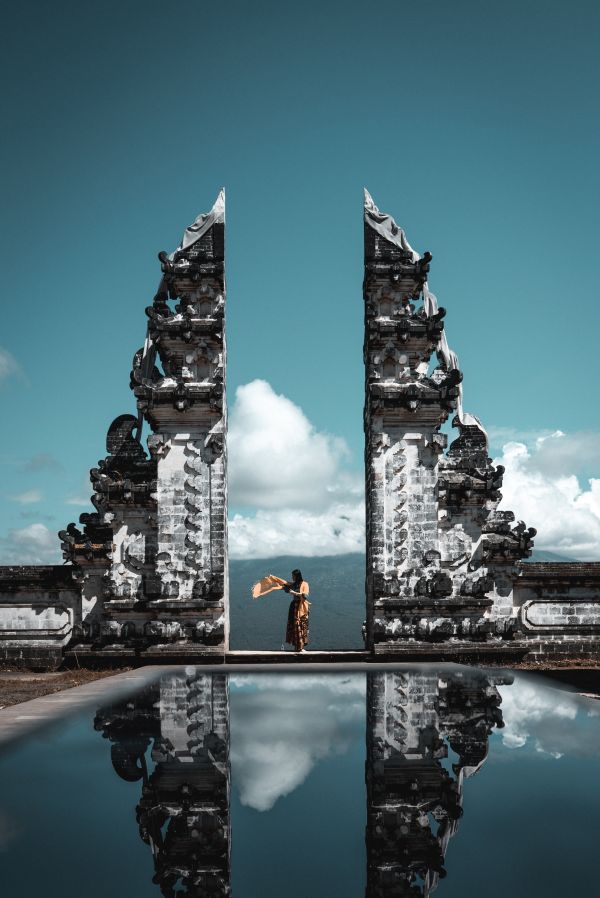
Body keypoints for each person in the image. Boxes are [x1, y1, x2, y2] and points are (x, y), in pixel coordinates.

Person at [283, 569, 310, 652]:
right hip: (294, 606)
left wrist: (293, 593)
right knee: (295, 626)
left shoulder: (305, 584)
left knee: (301, 625)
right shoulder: (293, 584)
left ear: (297, 576)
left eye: (293, 576)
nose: (292, 577)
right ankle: (297, 646)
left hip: (301, 607)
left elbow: (305, 595)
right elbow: (284, 586)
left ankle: (301, 646)